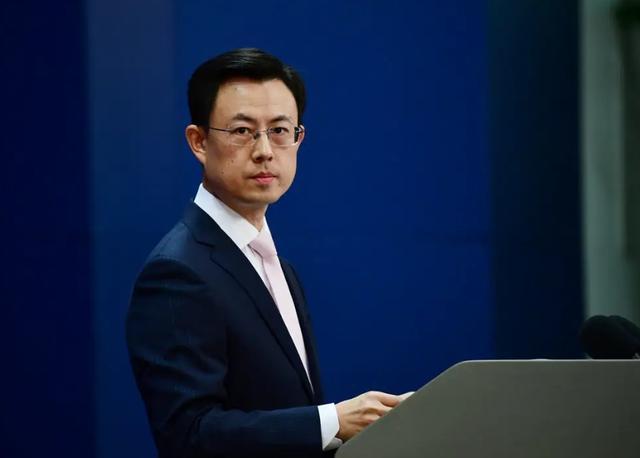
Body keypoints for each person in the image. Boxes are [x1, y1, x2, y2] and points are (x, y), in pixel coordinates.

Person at [126, 48, 406, 458]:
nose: (264, 150)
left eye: (279, 130)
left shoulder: (277, 265)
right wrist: (331, 421)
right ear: (199, 142)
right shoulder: (176, 272)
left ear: (299, 138)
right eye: (242, 130)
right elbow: (188, 435)